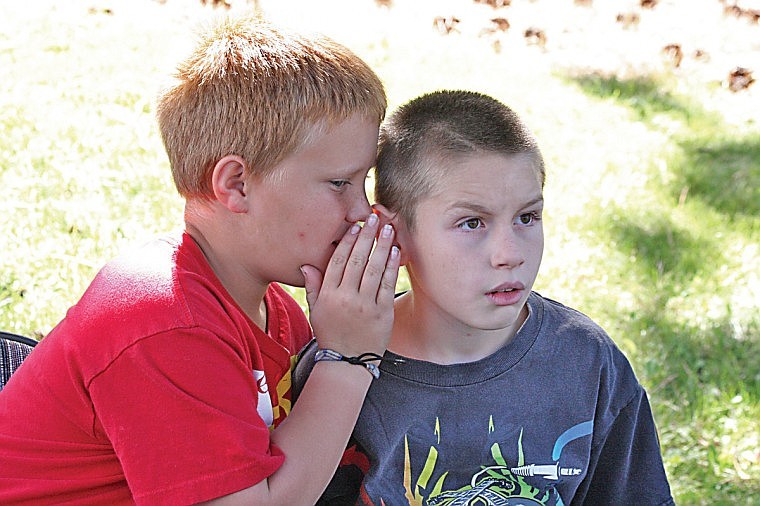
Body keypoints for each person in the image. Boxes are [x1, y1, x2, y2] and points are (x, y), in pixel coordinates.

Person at [0, 15, 400, 505]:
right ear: (236, 184)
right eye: (340, 183)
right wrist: (348, 358)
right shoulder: (164, 323)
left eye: (364, 183)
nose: (361, 211)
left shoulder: (281, 313)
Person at [295, 90, 674, 505]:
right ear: (393, 234)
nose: (510, 254)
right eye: (472, 223)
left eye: (526, 217)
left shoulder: (587, 361)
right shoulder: (339, 369)